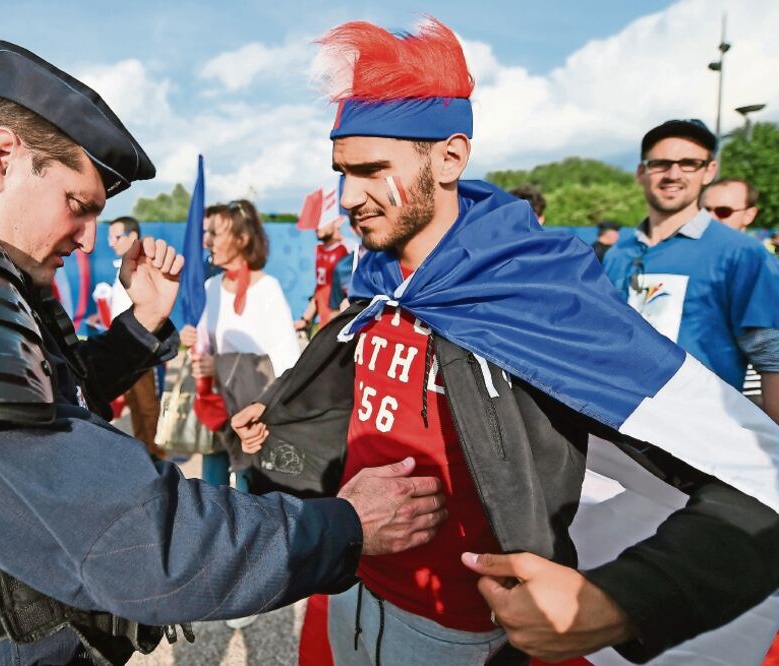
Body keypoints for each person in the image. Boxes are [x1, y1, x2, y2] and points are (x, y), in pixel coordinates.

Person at [0, 40, 447, 665]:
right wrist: (346, 526)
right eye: (78, 204)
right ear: (2, 156)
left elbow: (37, 417)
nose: (87, 237)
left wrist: (139, 326)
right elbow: (139, 542)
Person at [232, 18, 779, 666]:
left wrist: (621, 602)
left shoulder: (536, 290)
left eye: (371, 170)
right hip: (349, 590)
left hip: (466, 630)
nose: (347, 198)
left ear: (450, 157)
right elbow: (373, 400)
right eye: (340, 172)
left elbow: (754, 476)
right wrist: (287, 428)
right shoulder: (378, 277)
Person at [603, 119, 779, 424]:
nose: (673, 174)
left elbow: (771, 355)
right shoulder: (619, 252)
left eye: (688, 164)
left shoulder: (742, 253)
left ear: (709, 171)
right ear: (641, 172)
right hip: (621, 430)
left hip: (701, 441)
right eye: (660, 164)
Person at [179, 200, 300, 492]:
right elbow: (208, 344)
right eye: (206, 232)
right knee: (209, 490)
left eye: (215, 233)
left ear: (242, 239)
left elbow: (288, 362)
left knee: (251, 494)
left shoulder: (266, 289)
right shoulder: (210, 288)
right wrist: (192, 341)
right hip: (218, 408)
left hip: (253, 413)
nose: (206, 240)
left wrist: (220, 365)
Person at [103, 215, 161, 457]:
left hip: (139, 347)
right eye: (109, 237)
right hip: (122, 347)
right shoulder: (121, 269)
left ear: (133, 237)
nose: (110, 243)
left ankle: (154, 453)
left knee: (146, 403)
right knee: (135, 404)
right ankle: (144, 450)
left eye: (116, 237)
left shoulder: (143, 270)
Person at [296, 215, 350, 332]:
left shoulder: (348, 250)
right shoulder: (318, 250)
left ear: (338, 221)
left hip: (340, 328)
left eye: (322, 220)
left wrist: (339, 317)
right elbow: (320, 289)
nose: (316, 225)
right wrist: (305, 319)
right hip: (324, 326)